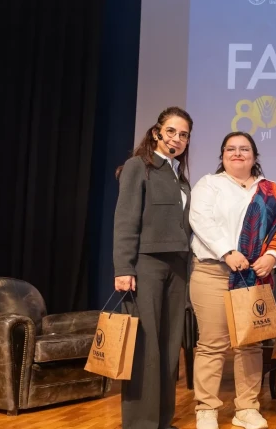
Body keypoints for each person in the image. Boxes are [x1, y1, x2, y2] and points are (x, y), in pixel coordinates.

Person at [188, 132, 276, 429]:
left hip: (254, 276)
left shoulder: (270, 190)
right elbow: (201, 221)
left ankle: (247, 407)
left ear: (254, 156)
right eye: (230, 149)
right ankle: (206, 409)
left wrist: (272, 256)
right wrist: (227, 252)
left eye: (244, 149)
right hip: (214, 272)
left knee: (250, 345)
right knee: (212, 344)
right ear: (222, 156)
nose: (237, 153)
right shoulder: (209, 185)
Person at [113, 106, 193, 429]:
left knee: (170, 344)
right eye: (171, 131)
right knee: (145, 346)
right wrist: (123, 268)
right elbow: (125, 221)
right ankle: (140, 423)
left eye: (184, 134)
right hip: (145, 265)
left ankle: (162, 420)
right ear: (158, 132)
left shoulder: (180, 176)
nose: (177, 138)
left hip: (178, 265)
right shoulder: (138, 167)